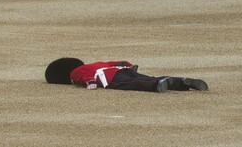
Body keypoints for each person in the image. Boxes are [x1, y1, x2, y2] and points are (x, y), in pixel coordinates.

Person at [45, 57, 209, 93]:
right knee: (145, 76)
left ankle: (156, 85)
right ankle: (180, 82)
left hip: (111, 79)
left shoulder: (75, 73)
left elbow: (83, 76)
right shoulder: (94, 63)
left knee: (135, 83)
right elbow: (111, 62)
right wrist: (126, 64)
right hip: (119, 69)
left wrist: (89, 82)